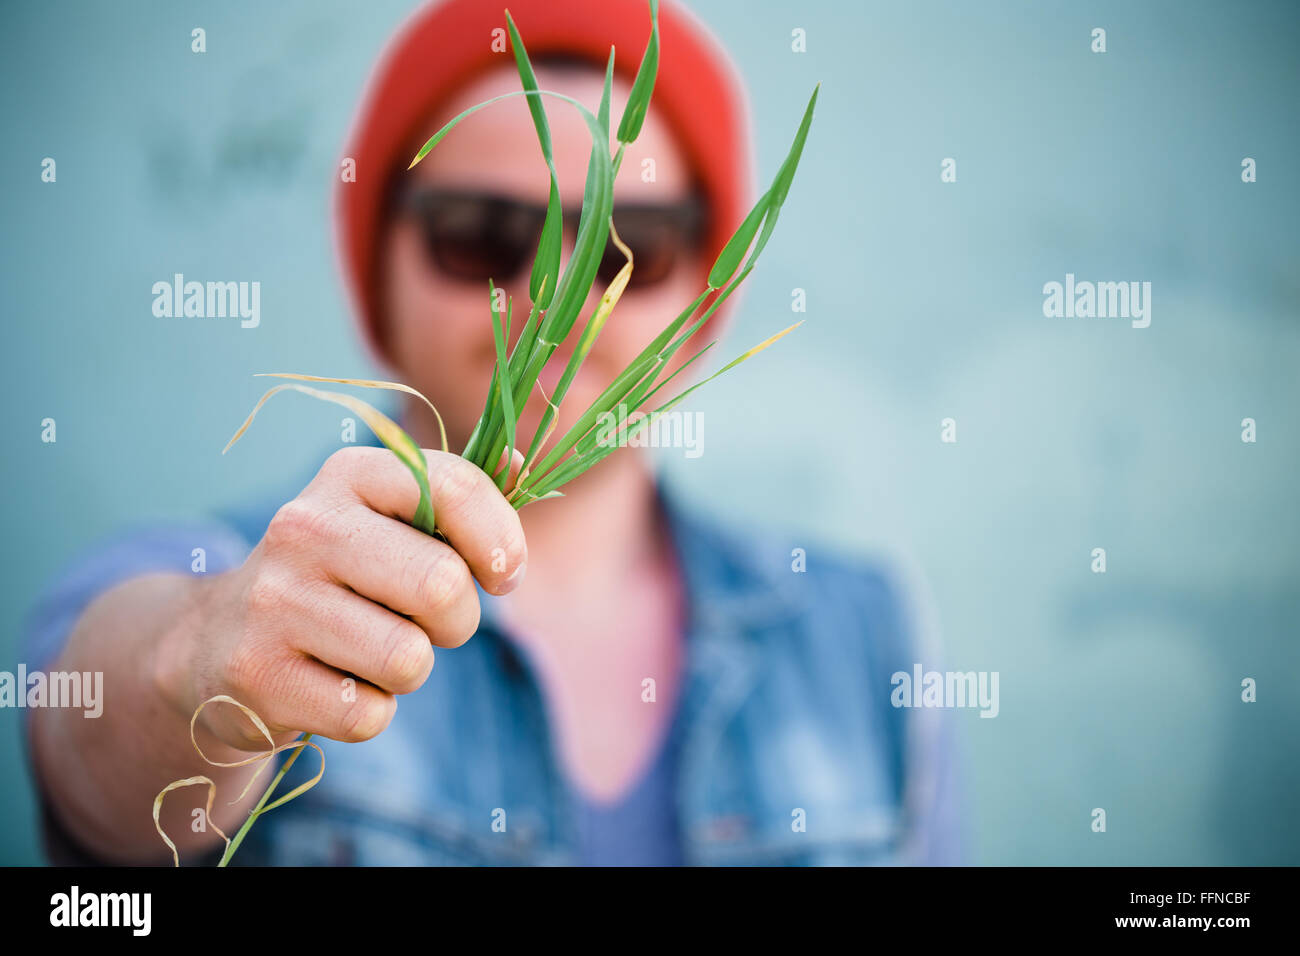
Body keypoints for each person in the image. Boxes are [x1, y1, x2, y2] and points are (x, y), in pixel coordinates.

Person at [22, 0, 963, 866]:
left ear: (701, 296)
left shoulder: (864, 633)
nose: (547, 299)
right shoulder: (226, 570)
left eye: (620, 246)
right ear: (377, 270)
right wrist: (200, 656)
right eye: (477, 233)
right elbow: (100, 740)